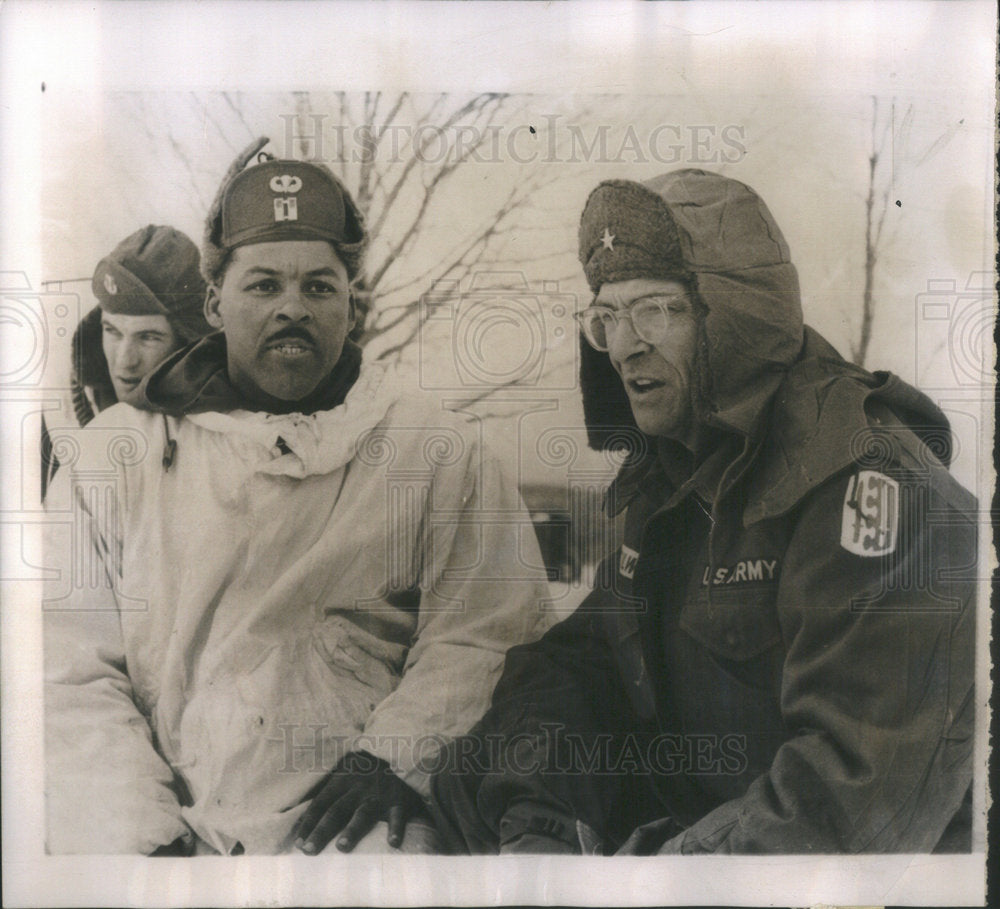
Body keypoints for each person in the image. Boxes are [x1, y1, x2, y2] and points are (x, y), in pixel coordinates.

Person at [427, 168, 977, 855]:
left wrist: (661, 878)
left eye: (655, 310)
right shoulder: (670, 483)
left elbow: (856, 786)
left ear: (736, 316)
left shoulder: (874, 491)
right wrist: (537, 812)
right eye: (608, 317)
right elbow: (579, 669)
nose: (626, 345)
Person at [43, 137, 552, 855]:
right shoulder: (114, 456)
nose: (293, 308)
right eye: (264, 285)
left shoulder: (436, 449)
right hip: (169, 816)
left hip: (360, 819)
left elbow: (487, 630)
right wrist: (138, 833)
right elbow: (66, 669)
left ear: (354, 302)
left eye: (319, 285)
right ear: (215, 302)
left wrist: (398, 754)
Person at [40, 225, 211, 496]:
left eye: (148, 337)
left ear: (188, 343)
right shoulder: (56, 413)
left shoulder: (219, 431)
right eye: (113, 331)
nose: (124, 361)